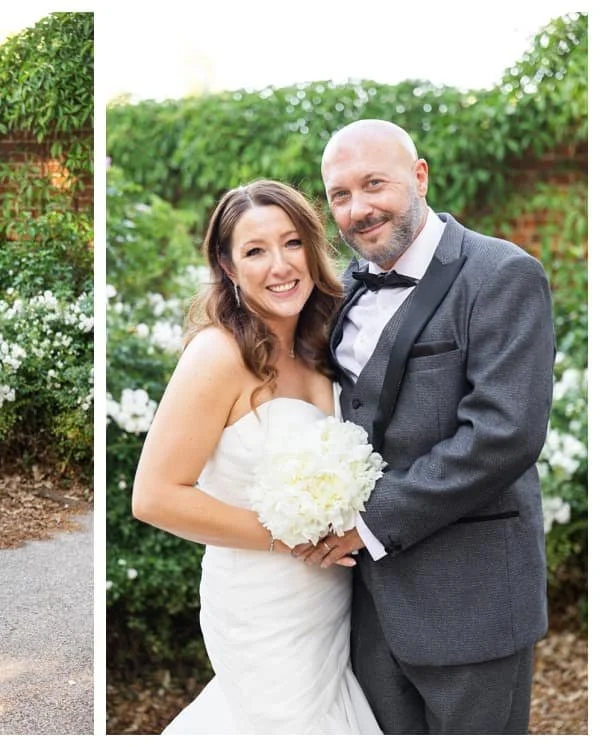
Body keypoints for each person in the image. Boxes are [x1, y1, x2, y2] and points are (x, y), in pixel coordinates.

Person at [294, 119, 554, 734]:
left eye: (373, 184)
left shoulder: (501, 274)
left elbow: (504, 432)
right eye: (340, 195)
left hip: (475, 599)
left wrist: (368, 522)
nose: (357, 209)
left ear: (419, 176)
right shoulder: (342, 288)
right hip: (366, 610)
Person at [132, 179, 382, 734]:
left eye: (292, 243)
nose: (280, 265)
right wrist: (284, 537)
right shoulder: (218, 355)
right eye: (254, 251)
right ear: (227, 265)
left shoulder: (328, 343)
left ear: (313, 249)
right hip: (261, 603)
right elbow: (153, 497)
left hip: (331, 602)